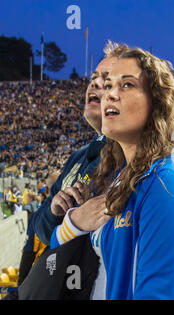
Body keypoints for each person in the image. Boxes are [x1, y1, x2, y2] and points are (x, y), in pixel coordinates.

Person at [49, 47, 174, 300]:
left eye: (127, 85)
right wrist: (74, 221)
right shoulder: (120, 176)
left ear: (157, 102)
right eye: (108, 85)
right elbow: (58, 250)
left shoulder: (169, 182)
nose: (110, 94)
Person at [31, 42, 128, 245]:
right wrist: (53, 211)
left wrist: (75, 220)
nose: (94, 83)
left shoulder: (135, 154)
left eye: (107, 79)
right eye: (93, 78)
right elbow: (39, 226)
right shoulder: (78, 156)